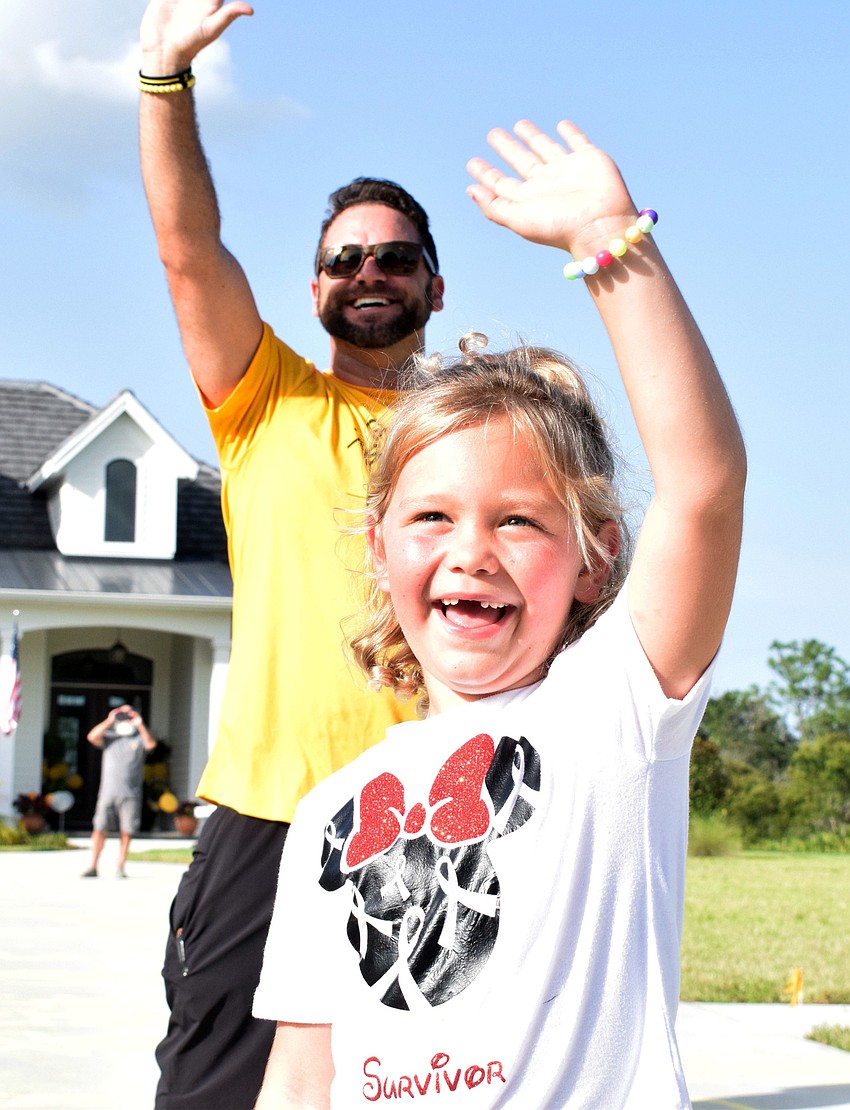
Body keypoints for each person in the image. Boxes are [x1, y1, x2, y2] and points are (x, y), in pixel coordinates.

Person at [252, 118, 747, 1108]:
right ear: (378, 549)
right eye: (431, 515)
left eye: (518, 520)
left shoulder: (611, 714)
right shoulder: (326, 814)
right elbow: (304, 1076)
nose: (469, 551)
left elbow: (701, 487)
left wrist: (609, 243)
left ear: (595, 561)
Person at [138, 2, 444, 1106]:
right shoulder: (265, 398)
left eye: (396, 257)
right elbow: (187, 253)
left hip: (437, 810)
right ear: (314, 287)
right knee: (217, 1088)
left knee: (427, 1083)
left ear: (433, 288)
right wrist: (164, 82)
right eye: (344, 257)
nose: (370, 270)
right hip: (272, 814)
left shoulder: (484, 435)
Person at [82, 705, 156, 879]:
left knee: (126, 831)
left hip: (131, 794)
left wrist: (139, 724)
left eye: (128, 715)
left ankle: (120, 866)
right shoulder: (110, 738)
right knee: (99, 828)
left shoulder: (138, 739)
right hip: (107, 793)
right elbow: (91, 737)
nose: (125, 719)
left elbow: (151, 744)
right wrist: (110, 719)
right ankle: (93, 866)